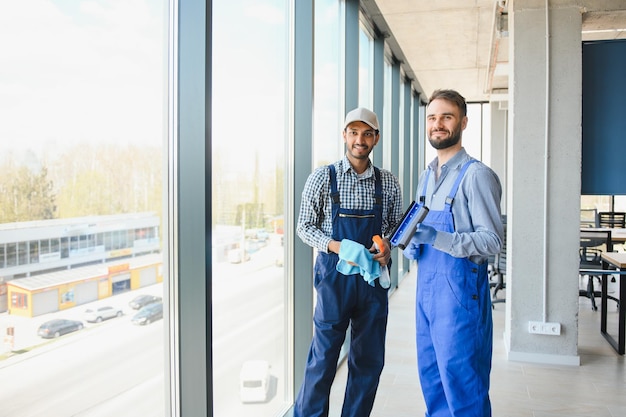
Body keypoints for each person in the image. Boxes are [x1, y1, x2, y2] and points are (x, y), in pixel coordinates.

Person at [294, 107, 403, 417]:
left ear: (376, 139)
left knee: (368, 361)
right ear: (344, 135)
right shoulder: (322, 178)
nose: (360, 139)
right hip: (334, 282)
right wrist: (334, 245)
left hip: (371, 283)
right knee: (323, 359)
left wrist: (388, 246)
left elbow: (395, 227)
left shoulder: (388, 183)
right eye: (354, 132)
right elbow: (304, 226)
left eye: (367, 133)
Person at [405, 89, 504, 417]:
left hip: (460, 298)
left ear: (463, 121)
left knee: (463, 386)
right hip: (427, 294)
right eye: (432, 117)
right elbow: (420, 232)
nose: (438, 124)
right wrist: (414, 245)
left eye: (446, 116)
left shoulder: (477, 176)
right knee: (432, 379)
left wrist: (439, 237)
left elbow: (492, 242)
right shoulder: (425, 177)